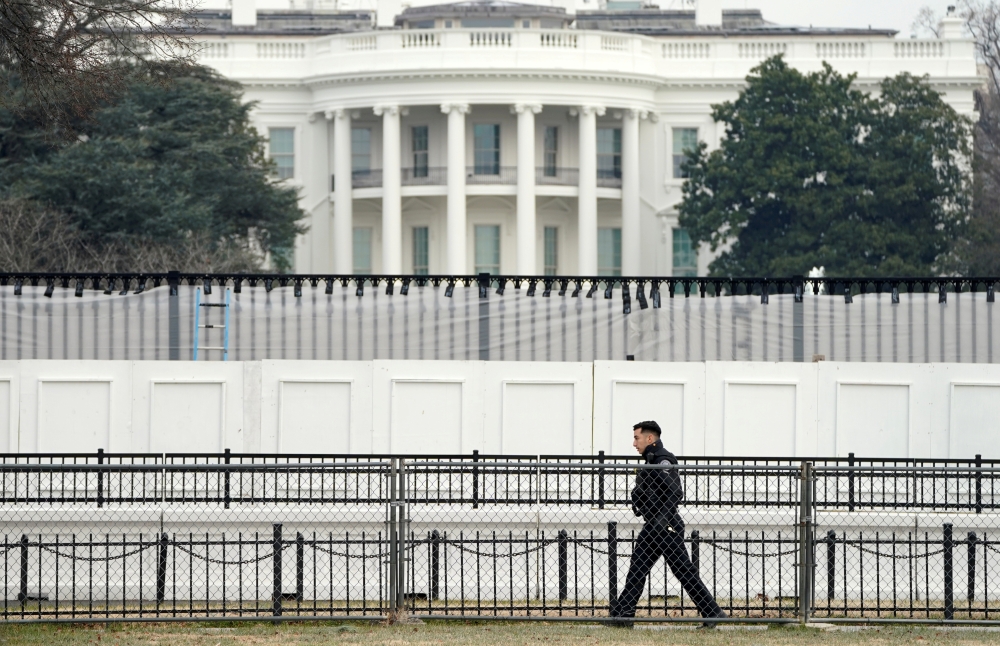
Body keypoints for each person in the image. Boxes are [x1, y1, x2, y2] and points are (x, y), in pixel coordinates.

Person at [608, 420, 727, 628]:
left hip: (666, 526)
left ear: (650, 438)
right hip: (654, 524)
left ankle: (712, 611)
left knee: (682, 571)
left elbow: (674, 492)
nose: (634, 443)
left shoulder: (663, 460)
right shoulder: (651, 459)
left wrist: (662, 520)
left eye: (637, 438)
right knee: (638, 569)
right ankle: (622, 616)